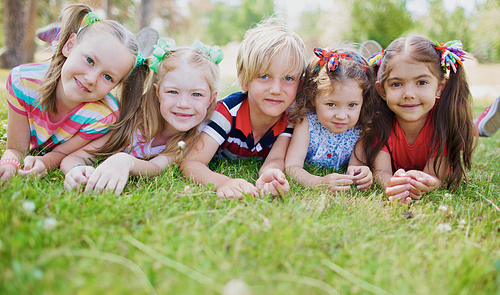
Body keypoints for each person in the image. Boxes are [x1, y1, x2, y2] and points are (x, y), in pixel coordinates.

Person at [0, 4, 142, 181]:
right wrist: (9, 164)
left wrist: (43, 162)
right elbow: (15, 149)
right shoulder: (23, 83)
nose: (91, 78)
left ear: (116, 85)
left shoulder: (102, 116)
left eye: (107, 76)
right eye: (90, 60)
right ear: (69, 45)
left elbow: (61, 153)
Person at [62, 39, 222, 194]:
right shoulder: (130, 121)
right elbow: (75, 157)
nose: (184, 104)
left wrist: (125, 161)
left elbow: (155, 167)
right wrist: (76, 171)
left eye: (196, 94)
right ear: (157, 92)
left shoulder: (199, 134)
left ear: (211, 98)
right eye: (173, 92)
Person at [181, 19, 307, 199]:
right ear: (245, 80)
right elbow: (192, 162)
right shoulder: (226, 113)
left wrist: (270, 176)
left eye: (288, 78)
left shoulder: (290, 118)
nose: (276, 90)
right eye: (264, 76)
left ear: (299, 84)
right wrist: (223, 183)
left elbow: (275, 159)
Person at [359, 37, 476, 203]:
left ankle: (480, 126)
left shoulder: (443, 123)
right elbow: (381, 171)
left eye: (421, 82)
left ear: (440, 87)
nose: (409, 94)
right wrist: (392, 185)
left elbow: (435, 176)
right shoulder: (380, 121)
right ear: (382, 90)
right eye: (396, 84)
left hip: (452, 123)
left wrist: (425, 183)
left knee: (471, 128)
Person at [285, 46, 376, 191]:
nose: (341, 116)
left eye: (352, 105)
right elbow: (292, 167)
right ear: (313, 98)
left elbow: (356, 166)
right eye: (331, 104)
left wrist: (361, 174)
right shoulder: (307, 122)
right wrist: (318, 182)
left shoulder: (360, 127)